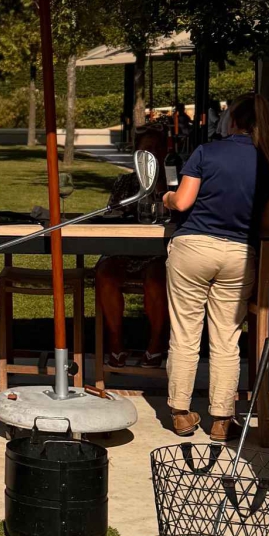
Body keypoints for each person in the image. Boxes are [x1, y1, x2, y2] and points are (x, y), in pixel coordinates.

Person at [161, 94, 269, 441]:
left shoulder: (207, 152)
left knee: (185, 333)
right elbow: (266, 223)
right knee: (226, 339)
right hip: (239, 254)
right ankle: (221, 418)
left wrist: (166, 197)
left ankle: (181, 413)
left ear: (233, 120)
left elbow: (183, 201)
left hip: (193, 247)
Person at [94, 126, 170, 369]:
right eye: (147, 150)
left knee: (157, 280)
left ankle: (156, 343)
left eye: (157, 149)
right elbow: (112, 214)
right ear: (137, 154)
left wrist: (159, 187)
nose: (152, 154)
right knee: (105, 275)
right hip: (123, 248)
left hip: (157, 252)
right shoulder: (125, 182)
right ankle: (116, 342)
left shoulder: (173, 182)